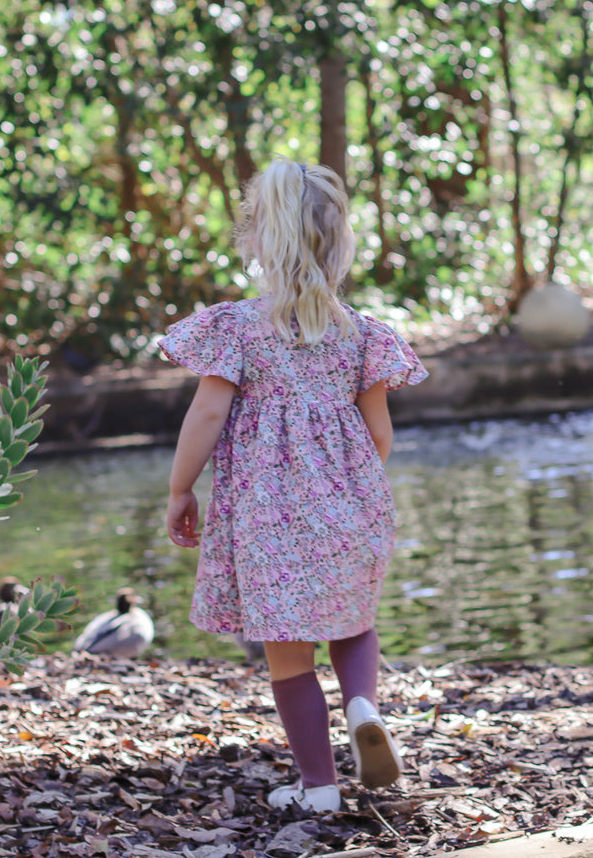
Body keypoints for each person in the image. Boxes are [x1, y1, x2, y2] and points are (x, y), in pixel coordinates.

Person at [159, 159, 428, 814]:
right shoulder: (362, 333)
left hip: (269, 516)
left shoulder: (239, 327)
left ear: (257, 239)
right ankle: (362, 703)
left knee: (289, 655)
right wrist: (343, 483)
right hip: (352, 506)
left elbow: (207, 415)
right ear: (337, 244)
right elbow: (379, 435)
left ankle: (320, 785)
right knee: (353, 623)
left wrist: (179, 489)